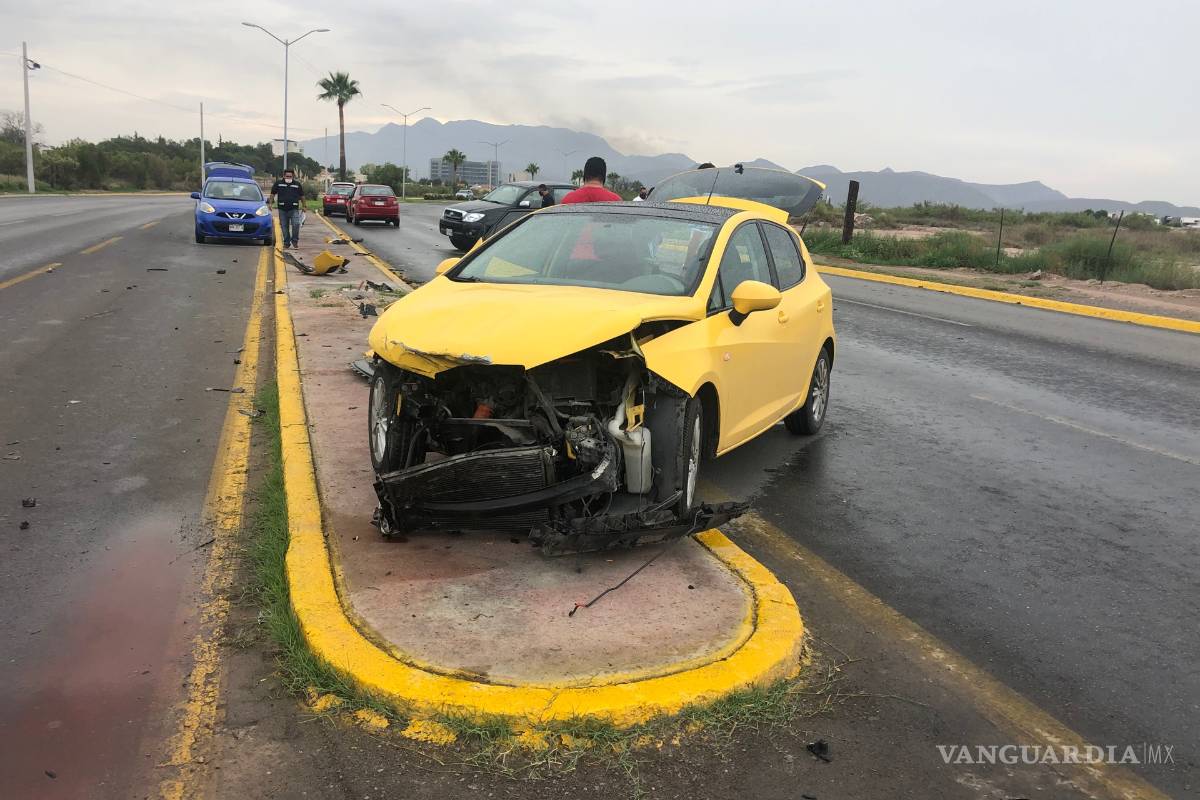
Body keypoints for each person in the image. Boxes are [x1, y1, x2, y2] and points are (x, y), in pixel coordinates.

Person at [270, 169, 305, 249]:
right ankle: (286, 242)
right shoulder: (278, 184)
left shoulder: (297, 184)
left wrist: (304, 206)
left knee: (296, 224)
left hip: (294, 209)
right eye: (287, 176)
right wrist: (270, 204)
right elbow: (272, 193)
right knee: (284, 227)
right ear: (284, 176)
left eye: (290, 176)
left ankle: (294, 241)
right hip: (282, 209)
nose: (288, 178)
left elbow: (302, 196)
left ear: (293, 176)